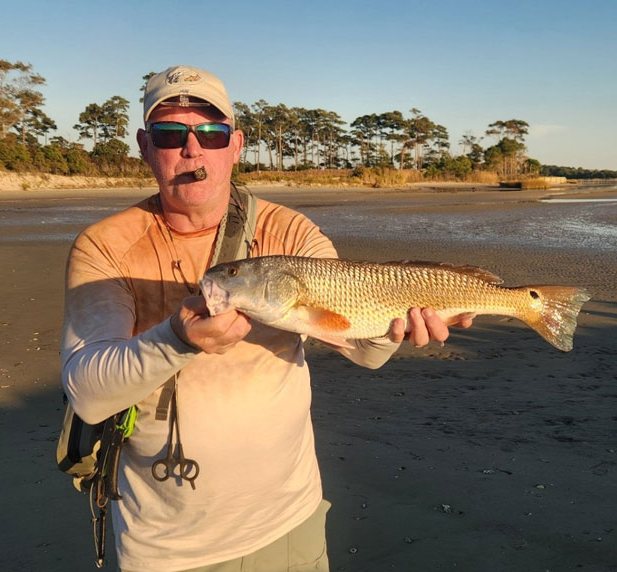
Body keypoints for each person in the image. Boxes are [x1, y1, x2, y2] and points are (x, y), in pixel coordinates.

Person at [61, 65, 472, 572]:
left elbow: (362, 350)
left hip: (291, 522)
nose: (193, 150)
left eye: (210, 134)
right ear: (146, 146)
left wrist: (394, 330)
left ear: (235, 145)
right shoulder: (106, 246)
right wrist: (175, 338)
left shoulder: (291, 232)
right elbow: (86, 392)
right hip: (167, 546)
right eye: (171, 133)